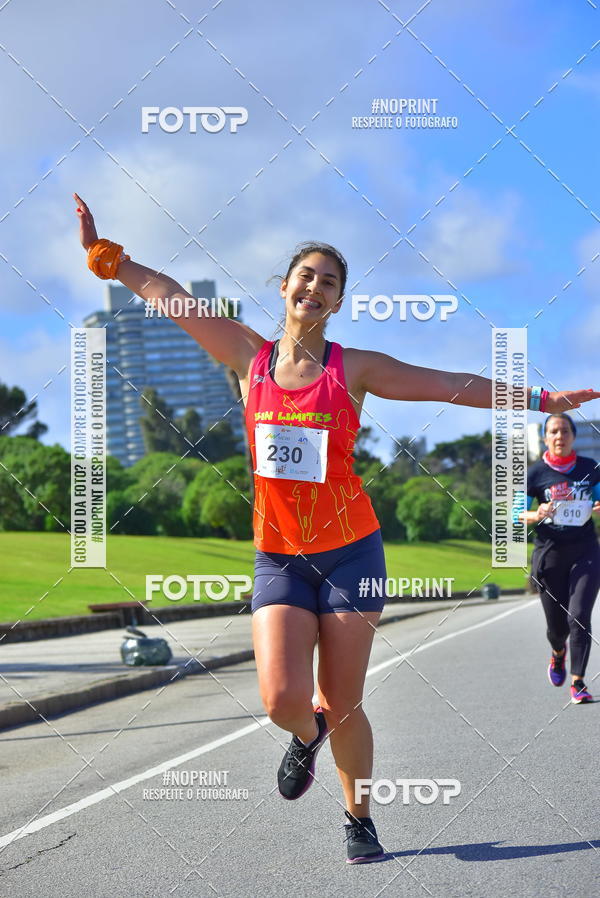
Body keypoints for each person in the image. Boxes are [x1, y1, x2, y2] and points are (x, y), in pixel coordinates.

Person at [73, 193, 600, 863]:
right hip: (280, 558)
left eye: (330, 281)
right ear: (286, 286)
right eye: (307, 275)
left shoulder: (355, 369)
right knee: (281, 697)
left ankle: (359, 817)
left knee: (347, 699)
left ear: (338, 301)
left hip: (353, 553)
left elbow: (449, 384)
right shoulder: (247, 357)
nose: (315, 286)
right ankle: (306, 729)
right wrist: (108, 258)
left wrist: (537, 400)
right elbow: (172, 296)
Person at [517, 413, 600, 703]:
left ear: (573, 436)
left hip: (586, 549)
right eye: (553, 431)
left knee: (579, 616)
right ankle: (557, 652)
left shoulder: (591, 468)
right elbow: (518, 513)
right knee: (557, 627)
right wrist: (536, 513)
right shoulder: (535, 474)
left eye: (564, 431)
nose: (559, 436)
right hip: (550, 552)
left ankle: (578, 682)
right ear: (545, 438)